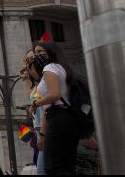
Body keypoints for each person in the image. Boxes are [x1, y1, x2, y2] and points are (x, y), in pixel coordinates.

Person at [30, 41, 79, 175]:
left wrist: (35, 103)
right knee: (66, 164)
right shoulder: (63, 68)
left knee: (53, 166)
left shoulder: (50, 68)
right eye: (35, 53)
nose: (37, 56)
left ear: (50, 51)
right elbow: (50, 107)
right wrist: (43, 133)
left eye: (40, 52)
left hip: (58, 117)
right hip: (68, 118)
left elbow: (54, 95)